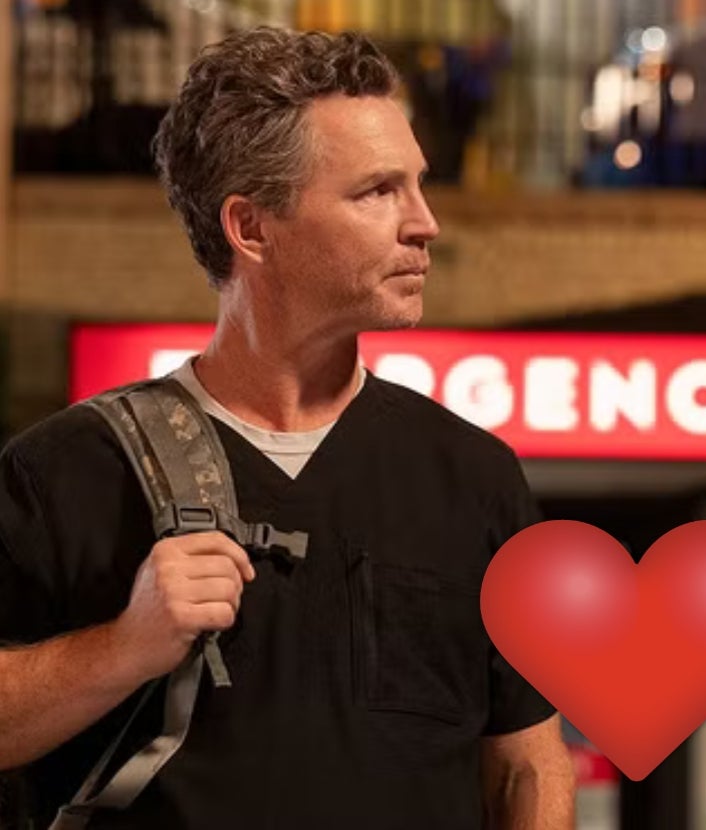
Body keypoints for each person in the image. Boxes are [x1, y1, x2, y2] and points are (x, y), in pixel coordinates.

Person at [0, 27, 575, 829]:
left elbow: (526, 764)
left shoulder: (474, 477)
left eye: (418, 185)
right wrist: (125, 646)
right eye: (377, 192)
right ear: (252, 228)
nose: (425, 223)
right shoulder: (63, 471)